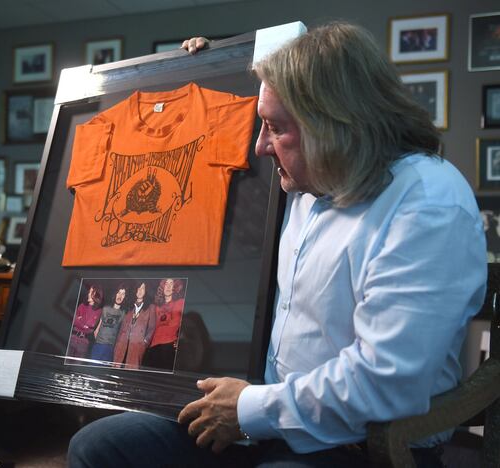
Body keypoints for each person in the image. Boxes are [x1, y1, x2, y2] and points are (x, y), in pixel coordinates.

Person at [68, 22, 487, 467]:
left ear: (336, 124)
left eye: (275, 127)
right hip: (263, 416)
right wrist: (216, 67)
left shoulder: (427, 203)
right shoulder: (305, 183)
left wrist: (249, 410)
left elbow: (387, 382)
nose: (260, 145)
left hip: (358, 442)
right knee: (98, 447)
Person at [141, 278, 186, 370]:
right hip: (153, 347)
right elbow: (151, 328)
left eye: (171, 284)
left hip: (169, 346)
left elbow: (180, 325)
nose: (168, 286)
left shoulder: (180, 303)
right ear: (162, 287)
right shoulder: (156, 307)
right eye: (166, 284)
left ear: (175, 287)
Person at [112, 281, 156, 369]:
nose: (139, 291)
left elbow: (152, 328)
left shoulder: (151, 308)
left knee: (130, 373)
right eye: (138, 288)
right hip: (121, 346)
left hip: (136, 347)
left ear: (146, 291)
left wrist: (144, 343)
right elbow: (121, 328)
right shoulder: (128, 306)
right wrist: (117, 343)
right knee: (115, 372)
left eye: (142, 289)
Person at [89, 284, 127, 362]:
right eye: (119, 293)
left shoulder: (123, 314)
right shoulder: (106, 309)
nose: (120, 296)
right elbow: (97, 329)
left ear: (125, 297)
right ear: (115, 294)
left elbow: (121, 333)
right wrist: (99, 342)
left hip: (110, 349)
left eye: (123, 294)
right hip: (98, 346)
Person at [66, 283, 103, 358]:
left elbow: (91, 324)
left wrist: (80, 320)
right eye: (89, 292)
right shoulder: (82, 306)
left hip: (84, 343)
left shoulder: (99, 311)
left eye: (91, 292)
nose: (89, 294)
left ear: (96, 295)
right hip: (73, 338)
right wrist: (83, 325)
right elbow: (74, 321)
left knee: (75, 367)